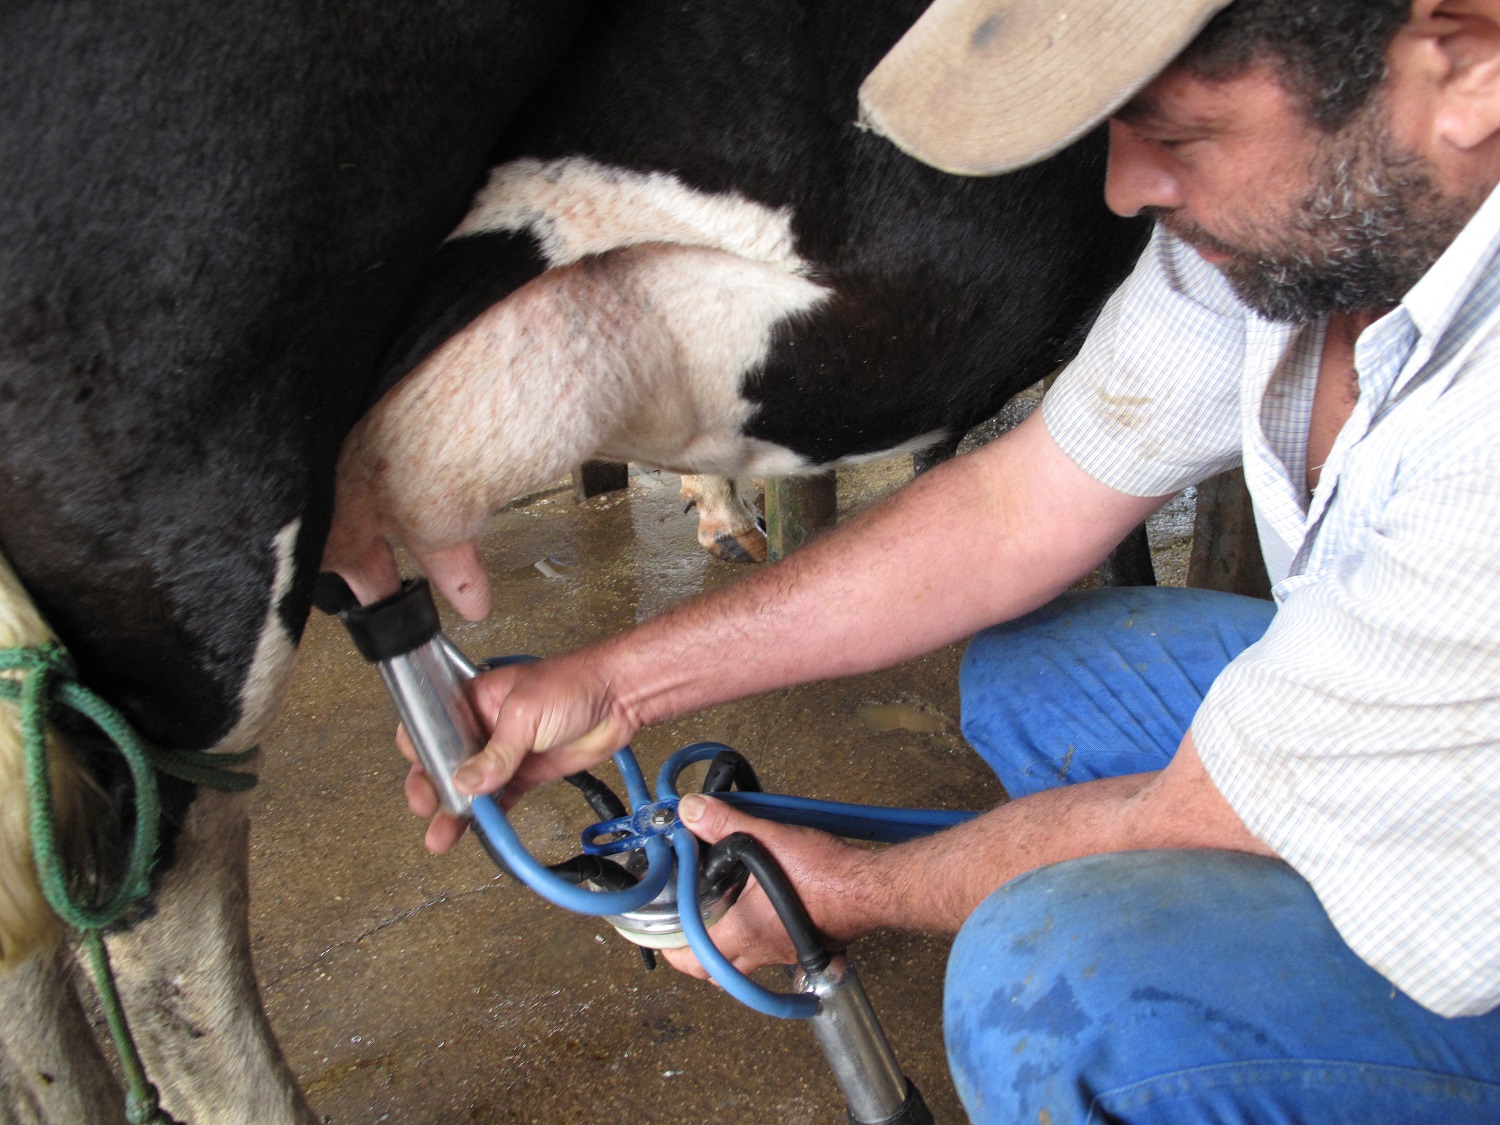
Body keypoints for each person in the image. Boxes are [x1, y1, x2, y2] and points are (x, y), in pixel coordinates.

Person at [399, 0, 1500, 1119]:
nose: (1124, 191)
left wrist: (842, 889)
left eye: (1179, 132)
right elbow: (1019, 507)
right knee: (1046, 672)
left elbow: (1200, 817)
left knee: (1056, 987)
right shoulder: (1314, 224)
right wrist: (613, 684)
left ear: (1467, 67)